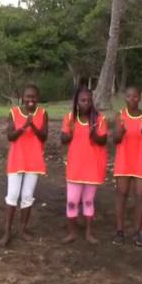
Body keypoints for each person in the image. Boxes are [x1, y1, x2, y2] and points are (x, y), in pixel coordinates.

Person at [0, 84, 48, 246]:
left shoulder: (43, 114)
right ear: (22, 98)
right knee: (12, 196)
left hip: (34, 160)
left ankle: (22, 229)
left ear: (38, 99)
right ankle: (7, 232)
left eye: (33, 97)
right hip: (16, 160)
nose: (30, 100)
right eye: (28, 97)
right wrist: (24, 126)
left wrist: (32, 125)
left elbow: (43, 137)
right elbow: (10, 137)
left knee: (27, 196)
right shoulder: (13, 113)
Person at [61, 87, 108, 244]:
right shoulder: (70, 118)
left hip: (92, 168)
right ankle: (72, 233)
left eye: (89, 100)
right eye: (82, 100)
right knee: (72, 201)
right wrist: (69, 133)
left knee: (88, 201)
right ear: (76, 102)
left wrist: (93, 132)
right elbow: (63, 139)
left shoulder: (99, 119)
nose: (86, 103)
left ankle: (89, 233)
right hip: (75, 168)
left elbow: (103, 141)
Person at [112, 86, 142, 247]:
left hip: (141, 160)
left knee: (140, 195)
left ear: (140, 98)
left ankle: (137, 232)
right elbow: (115, 139)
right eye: (129, 96)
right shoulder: (120, 115)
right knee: (121, 194)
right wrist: (120, 132)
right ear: (125, 98)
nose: (132, 99)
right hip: (123, 160)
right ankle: (119, 231)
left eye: (135, 96)